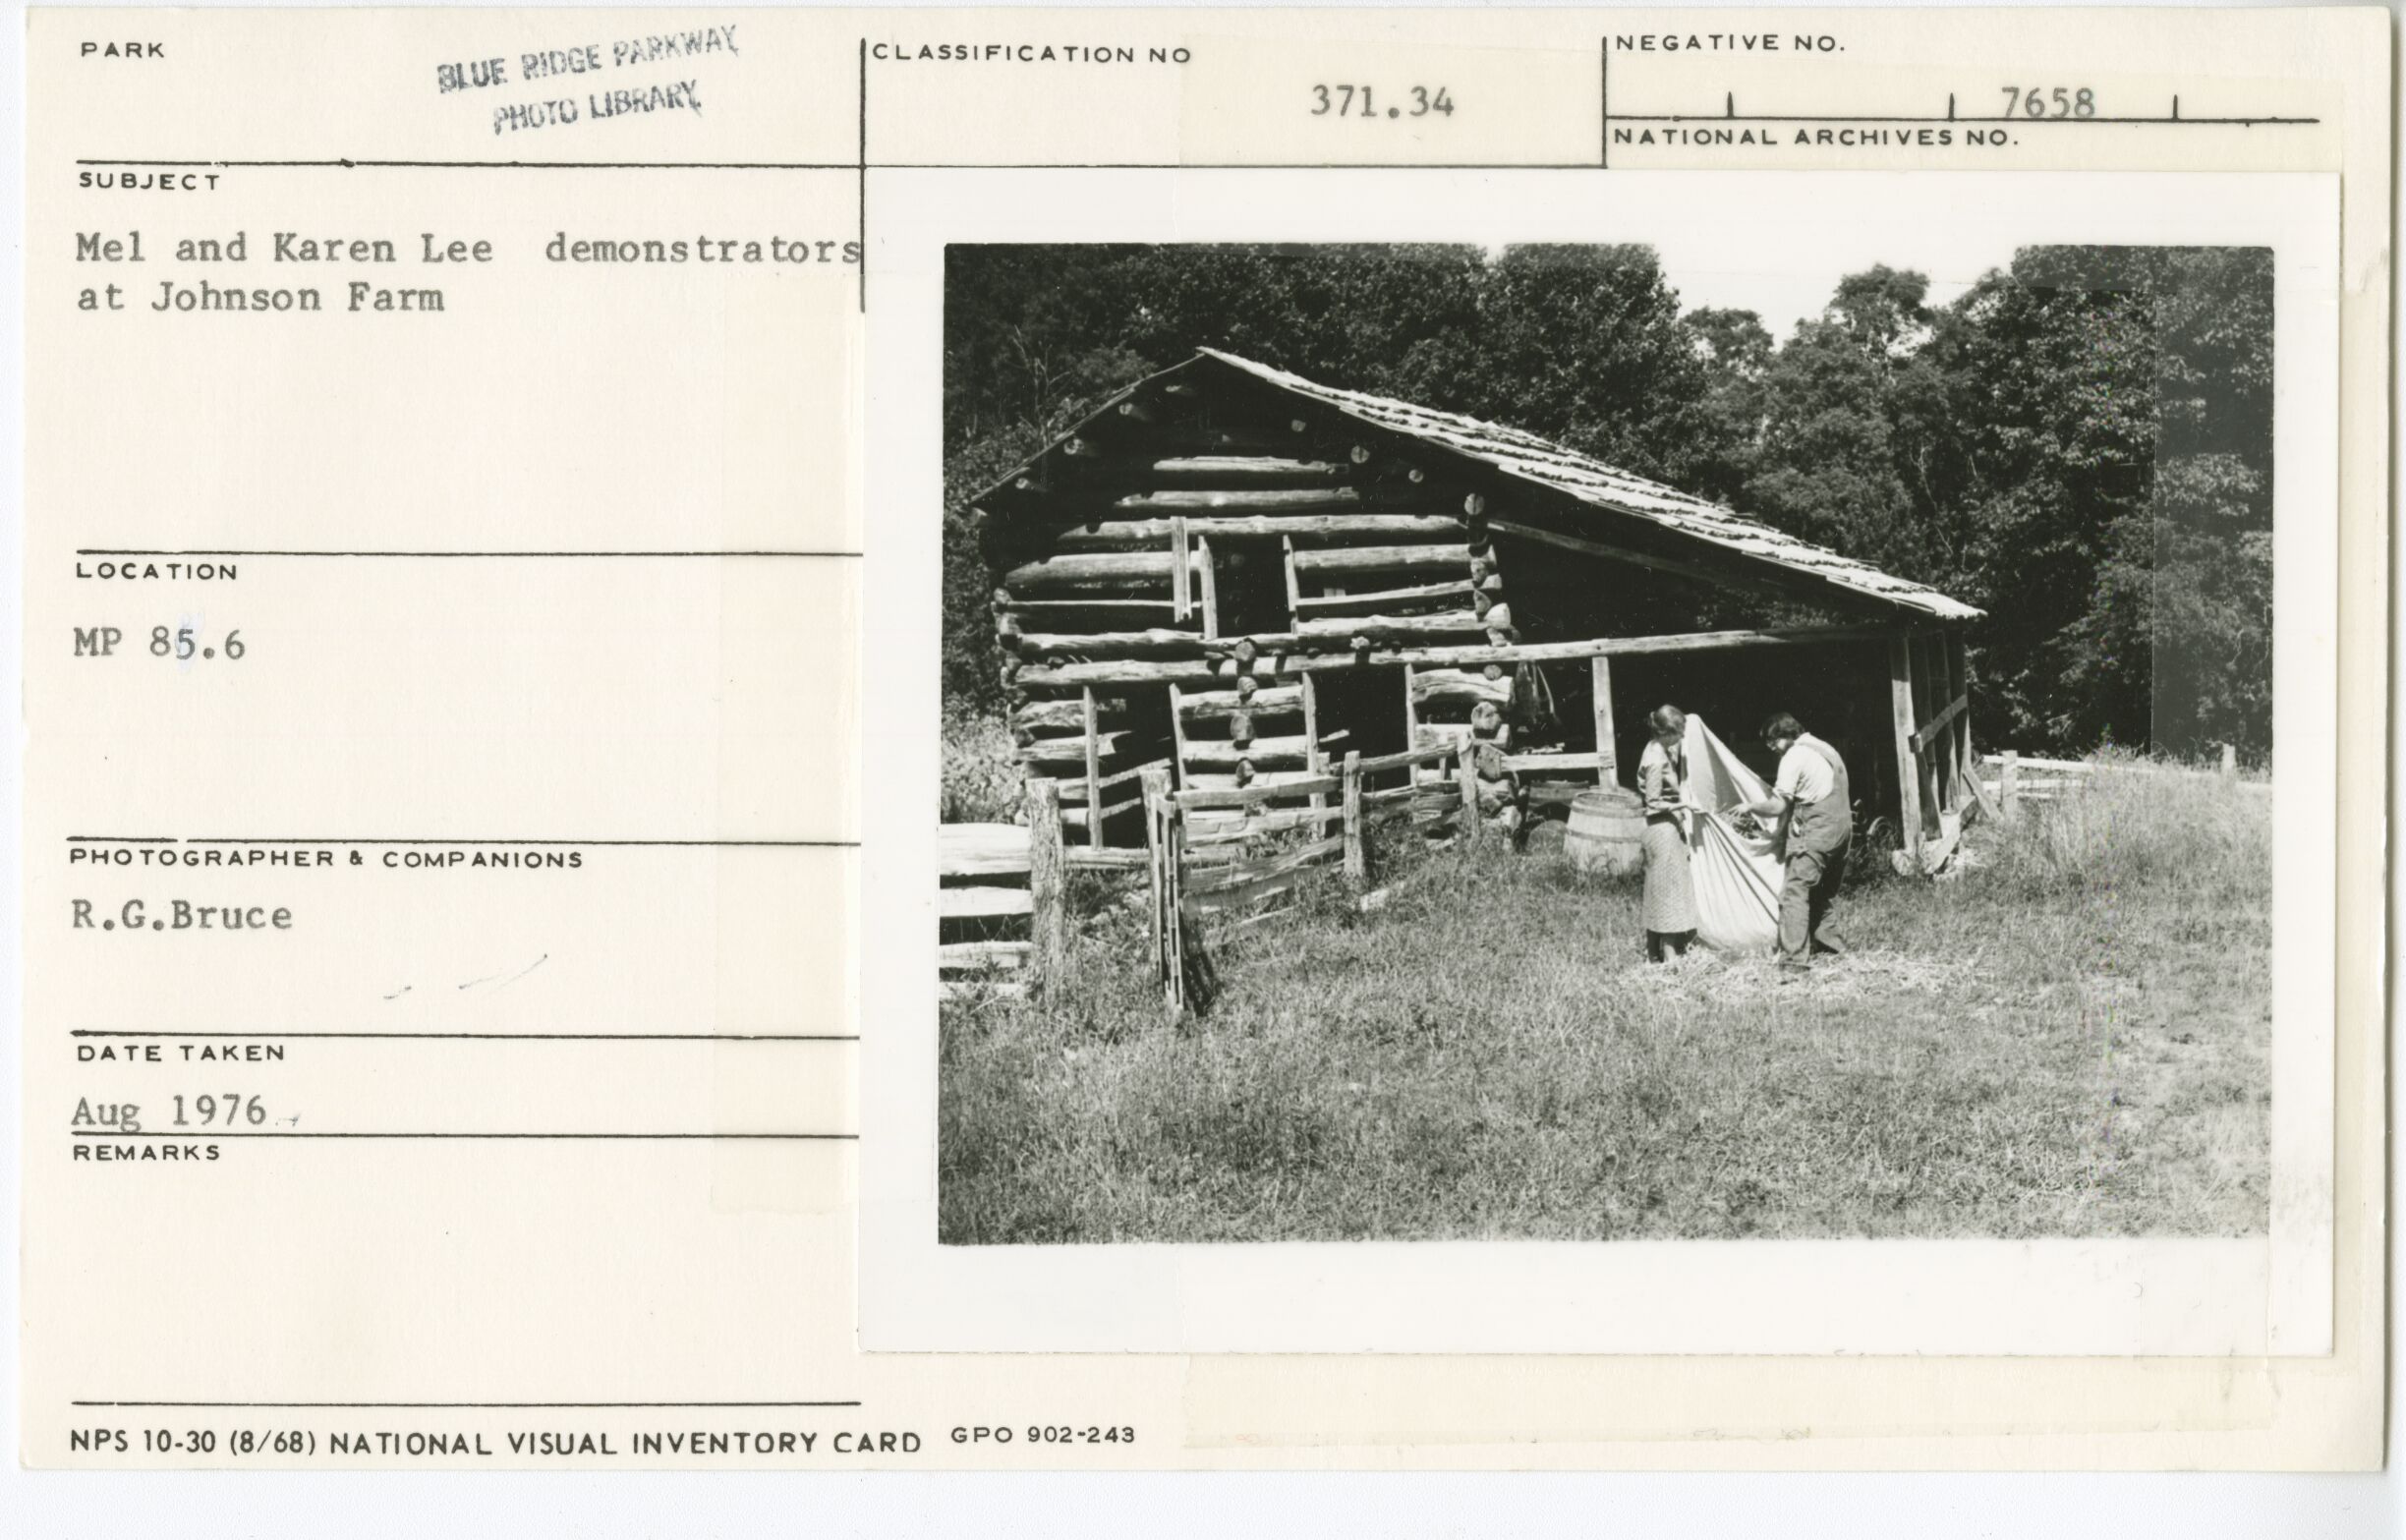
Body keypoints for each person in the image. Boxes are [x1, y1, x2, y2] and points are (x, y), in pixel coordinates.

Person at [1745, 712, 1852, 973]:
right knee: (1819, 892)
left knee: (1794, 893)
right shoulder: (1824, 748)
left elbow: (1779, 805)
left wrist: (1749, 807)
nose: (1773, 750)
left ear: (1784, 736)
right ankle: (1832, 949)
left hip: (1817, 829)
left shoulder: (1794, 756)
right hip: (1842, 830)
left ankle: (1793, 962)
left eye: (1773, 743)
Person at [1635, 704, 1698, 962]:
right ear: (1666, 732)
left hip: (1659, 828)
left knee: (1657, 890)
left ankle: (1653, 953)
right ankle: (1671, 956)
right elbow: (1652, 803)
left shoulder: (1655, 748)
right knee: (1669, 892)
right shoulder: (1656, 759)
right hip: (1662, 829)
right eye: (1678, 733)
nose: (1681, 738)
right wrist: (1683, 804)